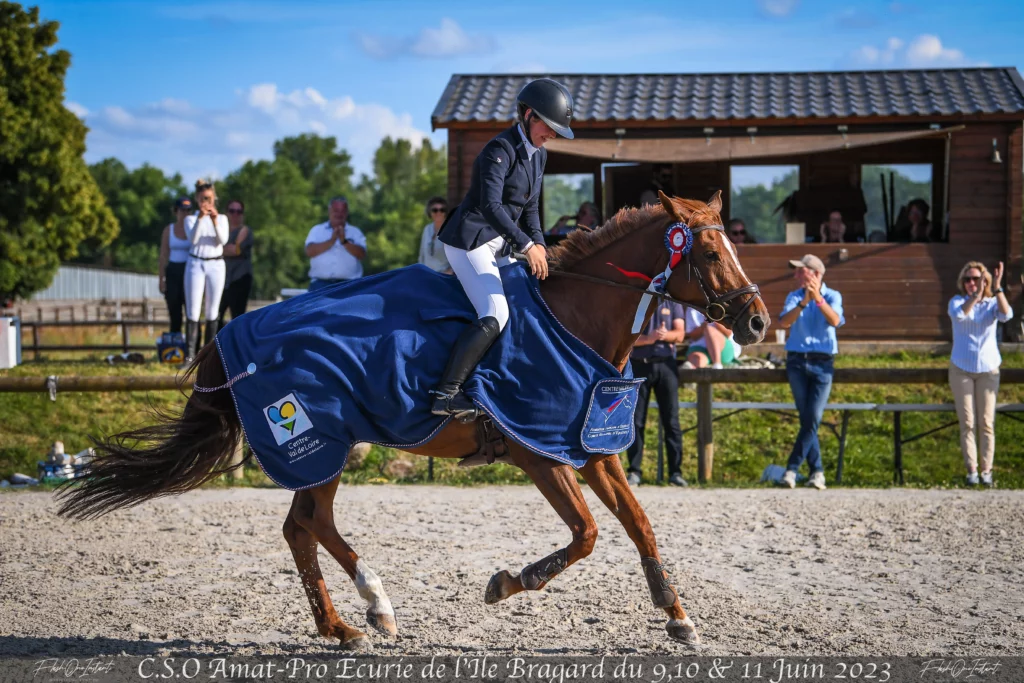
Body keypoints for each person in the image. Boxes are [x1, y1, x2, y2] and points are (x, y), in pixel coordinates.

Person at [430, 78, 574, 418]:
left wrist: (539, 243)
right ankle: (446, 394)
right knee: (496, 312)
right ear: (527, 115)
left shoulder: (539, 156)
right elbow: (492, 207)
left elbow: (532, 209)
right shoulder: (499, 150)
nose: (552, 134)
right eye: (548, 126)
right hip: (471, 242)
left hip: (501, 244)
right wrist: (526, 244)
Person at [776, 254, 845, 490]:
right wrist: (804, 302)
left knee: (812, 418)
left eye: (800, 271)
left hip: (823, 363)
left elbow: (835, 320)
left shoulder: (833, 295)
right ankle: (817, 472)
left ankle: (792, 469)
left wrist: (817, 299)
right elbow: (784, 322)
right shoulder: (794, 296)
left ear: (815, 273)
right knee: (808, 419)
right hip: (797, 361)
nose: (795, 275)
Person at [948, 261, 1012, 487]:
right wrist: (974, 297)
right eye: (968, 279)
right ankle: (972, 470)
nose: (971, 283)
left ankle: (987, 470)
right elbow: (960, 316)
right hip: (961, 368)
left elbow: (1006, 315)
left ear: (984, 280)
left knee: (986, 421)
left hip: (988, 368)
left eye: (976, 279)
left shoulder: (992, 303)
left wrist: (997, 287)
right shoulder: (956, 302)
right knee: (967, 421)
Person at [626, 301, 688, 488]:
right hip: (639, 364)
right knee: (636, 422)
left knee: (672, 421)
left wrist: (665, 335)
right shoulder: (637, 300)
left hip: (666, 365)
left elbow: (680, 333)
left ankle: (675, 473)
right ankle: (634, 471)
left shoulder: (672, 302)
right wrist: (649, 339)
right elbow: (626, 336)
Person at [184, 179, 229, 360]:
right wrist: (201, 218)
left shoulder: (222, 219)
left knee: (212, 311)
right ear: (197, 199)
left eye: (209, 199)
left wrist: (215, 220)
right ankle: (190, 354)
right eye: (203, 199)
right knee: (193, 309)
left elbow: (223, 241)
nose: (207, 203)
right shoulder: (191, 219)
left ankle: (208, 355)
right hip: (196, 262)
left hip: (216, 263)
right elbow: (193, 239)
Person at [305, 196, 367, 290]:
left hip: (349, 285)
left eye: (343, 211)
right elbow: (309, 251)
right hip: (320, 284)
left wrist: (344, 242)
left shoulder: (355, 232)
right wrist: (331, 241)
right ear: (329, 211)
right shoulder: (317, 230)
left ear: (347, 213)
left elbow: (362, 254)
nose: (339, 214)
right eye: (336, 210)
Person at [217, 199, 253, 328]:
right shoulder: (220, 231)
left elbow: (235, 250)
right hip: (221, 279)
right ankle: (217, 346)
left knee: (238, 318)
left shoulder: (245, 231)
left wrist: (216, 250)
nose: (235, 215)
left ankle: (236, 347)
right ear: (226, 213)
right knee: (216, 316)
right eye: (232, 211)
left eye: (239, 211)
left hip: (239, 279)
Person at [159, 197, 192, 334]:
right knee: (175, 312)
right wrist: (161, 279)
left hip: (189, 271)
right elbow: (163, 255)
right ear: (176, 211)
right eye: (182, 210)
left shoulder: (194, 229)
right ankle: (174, 345)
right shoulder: (169, 230)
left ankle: (193, 349)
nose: (185, 214)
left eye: (188, 210)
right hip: (173, 271)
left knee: (191, 312)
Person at [418, 196, 452, 273]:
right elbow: (421, 255)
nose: (438, 213)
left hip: (444, 277)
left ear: (445, 212)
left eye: (442, 210)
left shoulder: (450, 230)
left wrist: (450, 272)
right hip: (427, 275)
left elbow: (457, 257)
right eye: (435, 210)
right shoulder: (427, 229)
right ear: (430, 212)